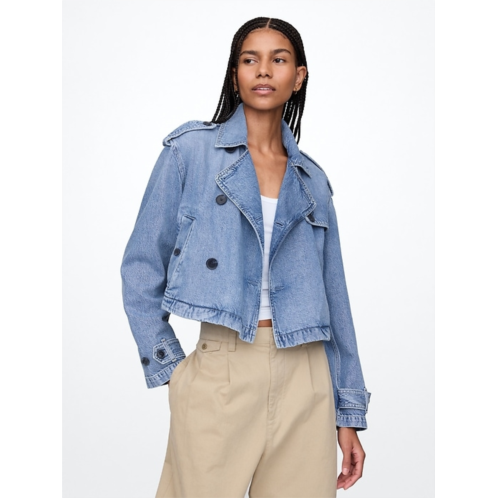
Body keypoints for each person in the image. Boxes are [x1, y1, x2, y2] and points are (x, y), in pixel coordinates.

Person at [121, 17, 371, 498]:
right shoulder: (190, 153)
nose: (264, 70)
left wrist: (348, 412)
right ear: (235, 74)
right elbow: (141, 265)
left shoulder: (312, 181)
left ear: (298, 76)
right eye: (250, 59)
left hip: (307, 376)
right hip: (222, 367)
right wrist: (173, 368)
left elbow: (336, 301)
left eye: (279, 59)